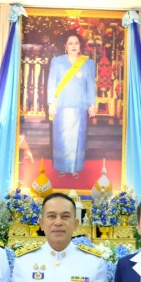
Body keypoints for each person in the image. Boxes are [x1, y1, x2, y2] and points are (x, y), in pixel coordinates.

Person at [46, 32, 96, 177]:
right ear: (65, 46)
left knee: (77, 138)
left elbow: (90, 85)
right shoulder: (57, 61)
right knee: (61, 138)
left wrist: (92, 104)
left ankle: (75, 167)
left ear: (80, 46)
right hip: (61, 105)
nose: (74, 46)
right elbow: (52, 83)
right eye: (70, 43)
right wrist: (51, 103)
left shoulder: (88, 63)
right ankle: (61, 167)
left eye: (76, 43)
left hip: (79, 106)